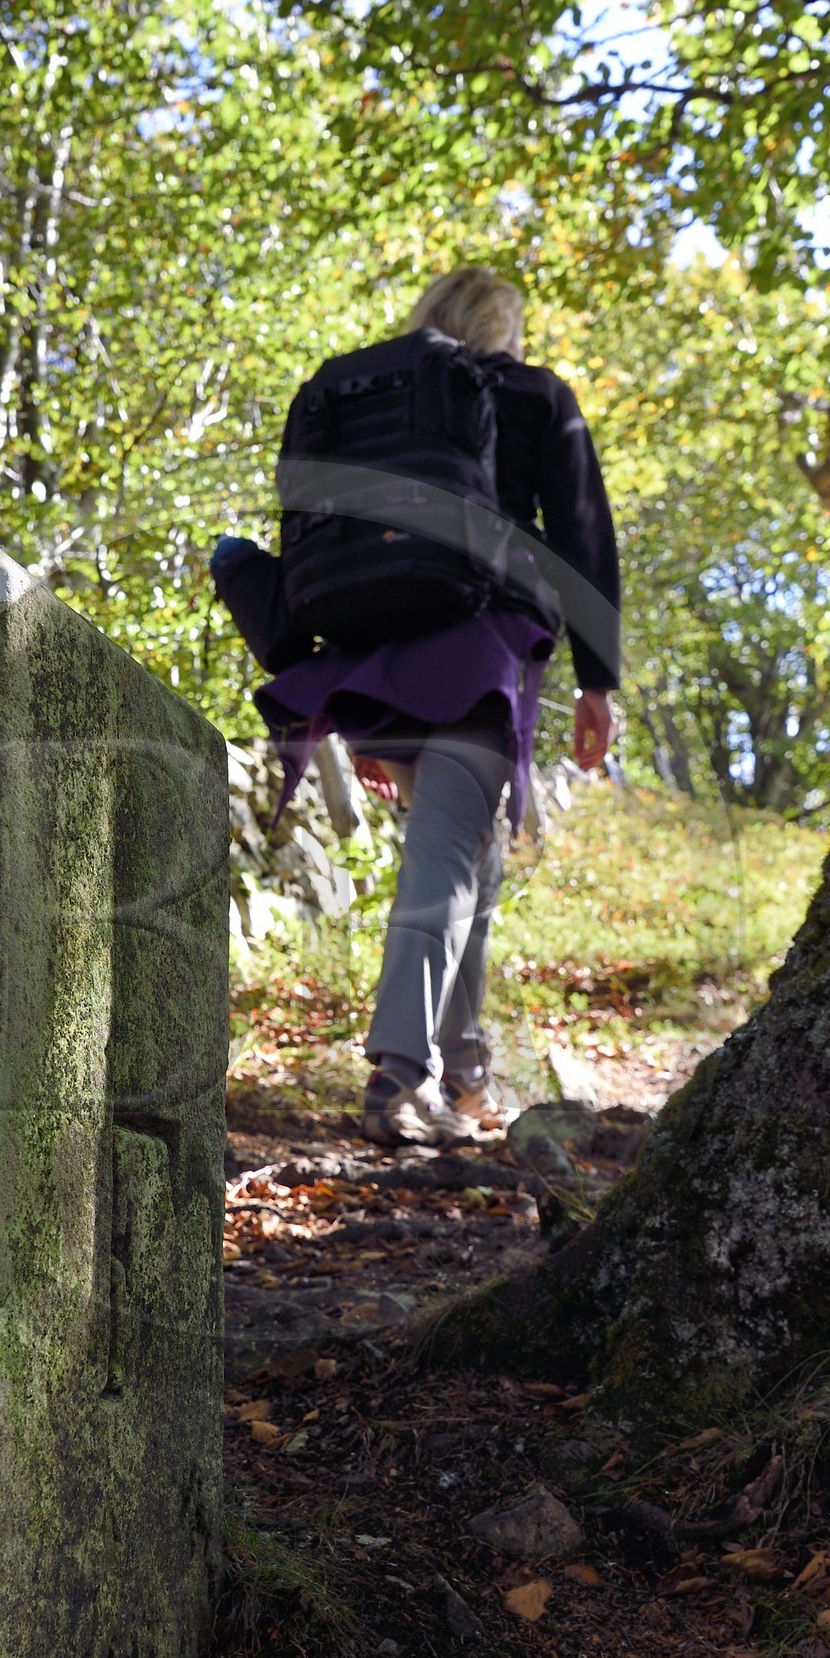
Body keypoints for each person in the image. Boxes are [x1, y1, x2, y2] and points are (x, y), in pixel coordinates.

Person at [216, 265, 620, 1147]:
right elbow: (582, 529)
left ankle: (464, 1073)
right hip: (481, 655)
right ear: (501, 327)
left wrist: (358, 710)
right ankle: (402, 1078)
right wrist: (599, 679)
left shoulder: (368, 396)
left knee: (473, 859)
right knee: (447, 857)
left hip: (367, 662)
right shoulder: (531, 394)